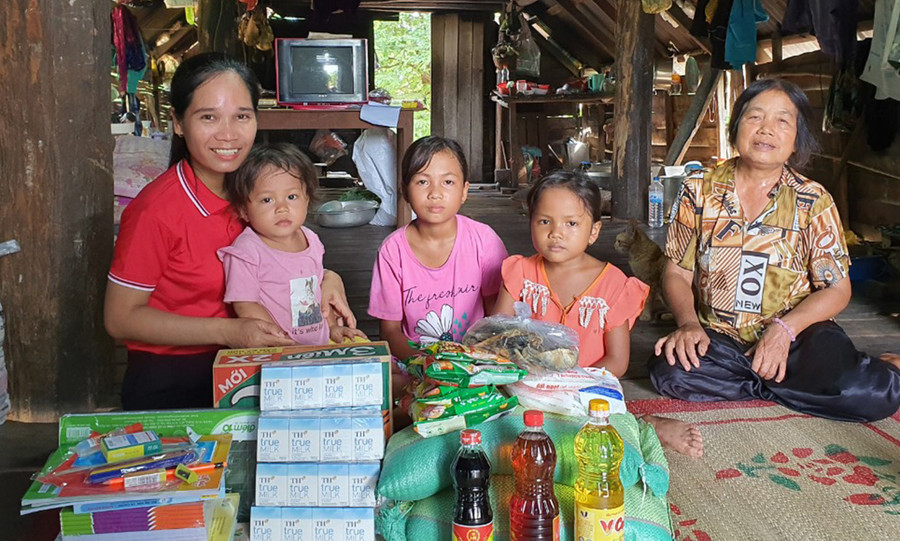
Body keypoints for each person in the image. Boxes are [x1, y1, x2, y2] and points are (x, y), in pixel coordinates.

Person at [649, 78, 900, 456]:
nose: (767, 129)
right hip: (721, 335)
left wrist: (783, 331)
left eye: (783, 121)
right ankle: (792, 385)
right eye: (755, 117)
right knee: (666, 370)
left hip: (799, 334)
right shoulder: (699, 189)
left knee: (871, 393)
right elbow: (677, 272)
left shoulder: (812, 200)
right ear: (736, 128)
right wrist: (688, 324)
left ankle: (852, 370)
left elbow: (837, 289)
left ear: (797, 139)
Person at [105, 53, 354, 411]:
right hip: (178, 381)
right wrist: (230, 332)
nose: (228, 133)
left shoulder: (261, 192)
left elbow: (279, 264)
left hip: (264, 365)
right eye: (208, 117)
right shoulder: (155, 212)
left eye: (242, 116)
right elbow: (120, 318)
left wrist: (328, 279)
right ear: (177, 122)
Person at [493, 170, 649, 377]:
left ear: (593, 231)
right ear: (531, 223)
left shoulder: (614, 286)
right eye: (544, 221)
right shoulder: (519, 274)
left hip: (586, 390)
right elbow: (497, 337)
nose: (556, 233)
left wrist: (571, 381)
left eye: (571, 223)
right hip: (526, 385)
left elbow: (617, 360)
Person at [368, 136, 508, 362]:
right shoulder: (392, 251)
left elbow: (497, 317)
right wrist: (429, 364)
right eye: (423, 182)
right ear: (405, 191)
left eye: (448, 182)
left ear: (464, 191)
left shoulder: (484, 241)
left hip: (476, 361)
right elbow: (390, 331)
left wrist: (476, 360)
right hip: (415, 363)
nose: (435, 193)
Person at [218, 143, 366, 345]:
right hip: (277, 348)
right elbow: (245, 304)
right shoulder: (247, 250)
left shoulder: (310, 238)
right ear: (244, 210)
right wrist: (279, 339)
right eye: (267, 199)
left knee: (380, 363)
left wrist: (332, 326)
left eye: (292, 197)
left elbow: (317, 294)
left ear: (306, 199)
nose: (282, 208)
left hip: (319, 343)